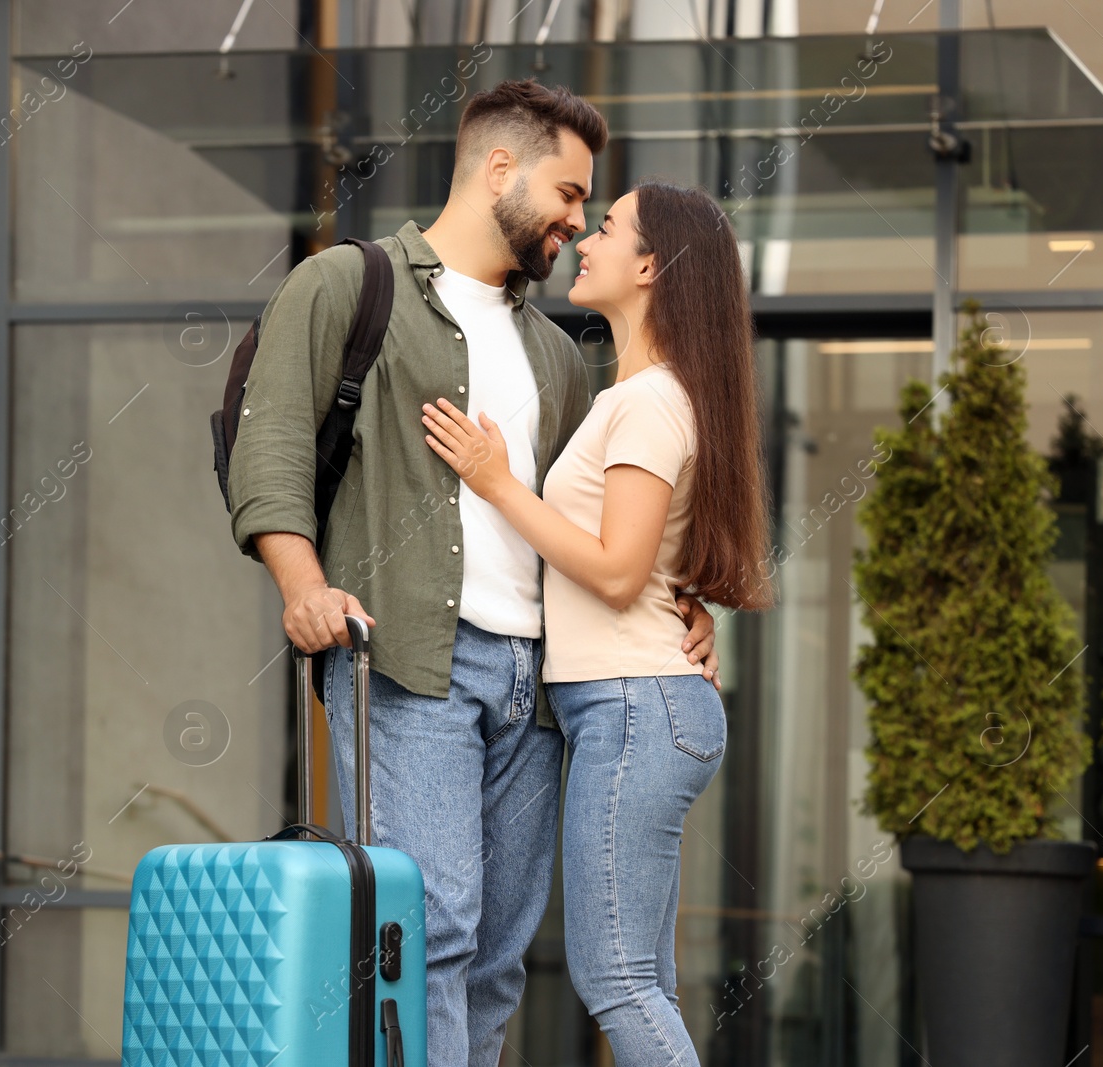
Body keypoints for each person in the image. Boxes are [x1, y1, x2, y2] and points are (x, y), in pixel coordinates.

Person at [226, 81, 722, 1065]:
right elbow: (271, 440)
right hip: (412, 661)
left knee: (496, 952)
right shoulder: (347, 285)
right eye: (570, 195)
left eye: (590, 209)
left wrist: (683, 595)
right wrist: (301, 585)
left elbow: (602, 517)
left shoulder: (556, 353)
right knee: (430, 928)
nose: (577, 222)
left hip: (536, 687)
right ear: (500, 168)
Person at [419, 180, 774, 1066]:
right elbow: (645, 567)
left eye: (607, 226)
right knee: (641, 974)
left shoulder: (649, 401)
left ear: (650, 265)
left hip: (632, 709)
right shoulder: (650, 395)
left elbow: (617, 571)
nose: (585, 236)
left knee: (615, 977)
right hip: (639, 706)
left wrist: (497, 481)